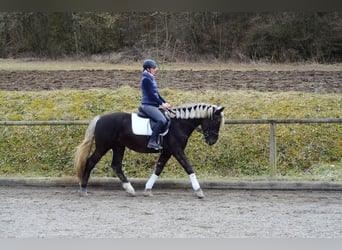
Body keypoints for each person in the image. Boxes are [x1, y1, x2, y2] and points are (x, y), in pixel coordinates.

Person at [139, 59, 171, 150]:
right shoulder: (146, 79)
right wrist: (161, 104)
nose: (155, 69)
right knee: (162, 120)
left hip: (153, 105)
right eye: (153, 68)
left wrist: (164, 102)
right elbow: (151, 95)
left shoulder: (151, 78)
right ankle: (152, 141)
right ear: (148, 69)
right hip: (147, 105)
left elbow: (157, 94)